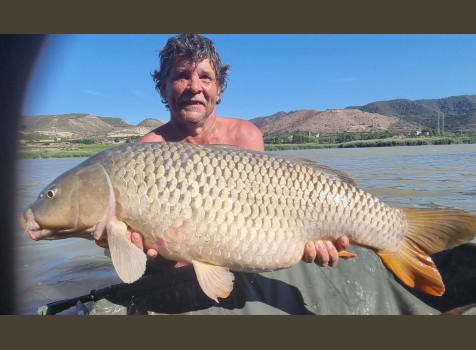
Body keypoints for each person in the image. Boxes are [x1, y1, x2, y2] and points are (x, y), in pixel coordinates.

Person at [90, 34, 446, 315]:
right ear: (163, 88)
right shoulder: (144, 151)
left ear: (219, 88)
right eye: (181, 76)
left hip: (243, 260)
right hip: (177, 273)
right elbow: (153, 258)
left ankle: (396, 232)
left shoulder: (246, 135)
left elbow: (261, 226)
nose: (194, 86)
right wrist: (132, 248)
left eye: (205, 77)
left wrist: (312, 240)